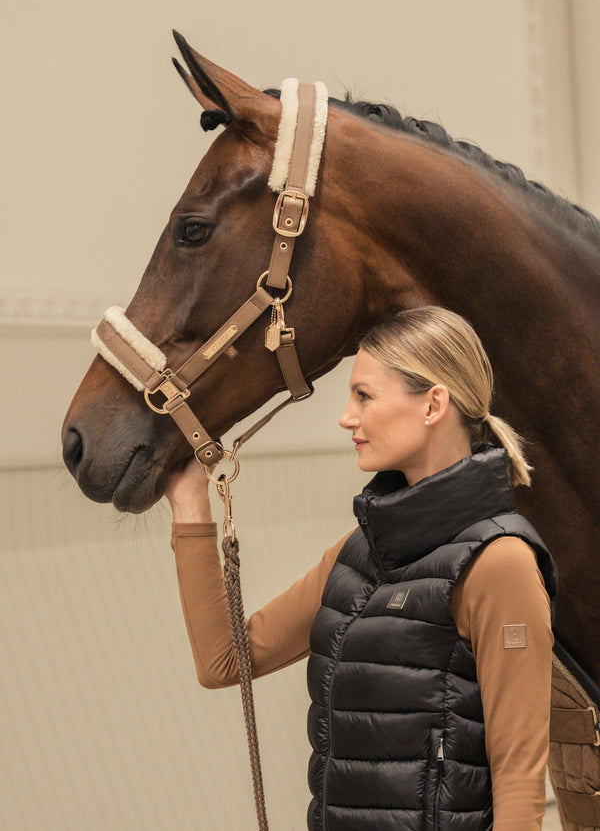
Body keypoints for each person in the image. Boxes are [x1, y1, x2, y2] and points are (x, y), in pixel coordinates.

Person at [165, 306, 557, 831]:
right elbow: (223, 661)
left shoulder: (499, 563)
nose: (346, 417)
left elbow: (519, 781)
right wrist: (190, 504)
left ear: (433, 404)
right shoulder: (356, 554)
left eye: (364, 396)